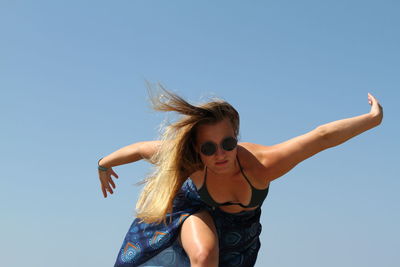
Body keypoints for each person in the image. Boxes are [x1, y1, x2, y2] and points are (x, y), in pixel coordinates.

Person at [97, 85, 383, 267]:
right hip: (192, 212)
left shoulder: (263, 165)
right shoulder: (190, 160)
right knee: (204, 255)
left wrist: (372, 119)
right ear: (197, 149)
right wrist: (103, 164)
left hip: (240, 234)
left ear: (236, 137)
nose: (220, 154)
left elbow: (321, 137)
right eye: (208, 148)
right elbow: (139, 149)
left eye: (228, 144)